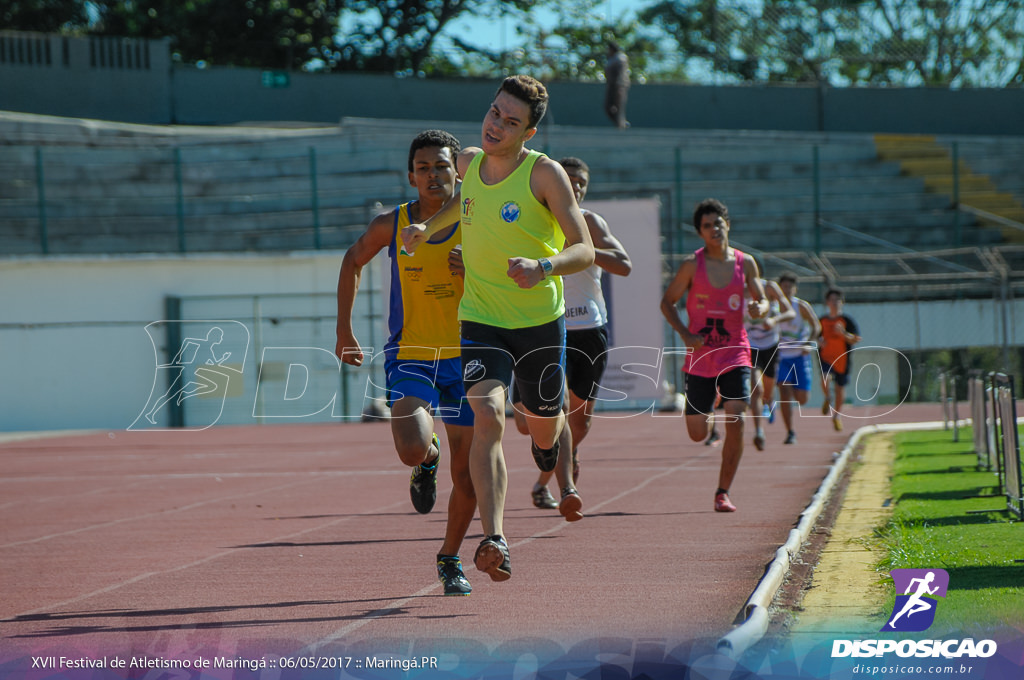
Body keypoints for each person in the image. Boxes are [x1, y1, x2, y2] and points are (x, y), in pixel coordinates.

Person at [402, 75, 595, 582]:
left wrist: (543, 266)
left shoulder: (544, 175)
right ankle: (496, 537)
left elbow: (584, 247)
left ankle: (549, 451)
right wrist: (429, 227)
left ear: (527, 133)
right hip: (481, 318)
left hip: (537, 322)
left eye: (511, 122)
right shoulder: (467, 161)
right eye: (494, 113)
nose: (496, 126)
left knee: (543, 424)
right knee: (487, 416)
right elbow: (459, 207)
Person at [335, 129, 476, 596]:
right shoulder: (392, 224)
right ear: (411, 175)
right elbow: (352, 260)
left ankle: (449, 558)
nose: (432, 175)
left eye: (441, 166)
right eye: (423, 168)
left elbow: (521, 276)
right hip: (412, 353)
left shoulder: (480, 221)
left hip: (471, 355)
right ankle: (426, 459)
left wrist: (476, 270)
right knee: (412, 448)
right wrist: (344, 329)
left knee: (470, 476)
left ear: (458, 169)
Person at [509, 156, 632, 518]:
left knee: (579, 419)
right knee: (523, 420)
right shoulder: (537, 218)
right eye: (570, 180)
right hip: (545, 324)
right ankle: (558, 459)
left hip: (589, 329)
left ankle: (555, 475)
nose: (576, 186)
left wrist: (587, 252)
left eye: (581, 182)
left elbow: (624, 265)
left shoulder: (591, 223)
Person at [660, 198, 768, 513]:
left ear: (727, 225)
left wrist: (758, 308)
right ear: (700, 233)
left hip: (735, 351)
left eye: (718, 223)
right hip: (700, 356)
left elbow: (760, 300)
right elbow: (668, 302)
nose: (714, 229)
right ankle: (712, 404)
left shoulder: (745, 263)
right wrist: (685, 334)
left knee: (736, 417)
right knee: (697, 434)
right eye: (707, 226)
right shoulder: (692, 266)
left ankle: (723, 491)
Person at [743, 256, 795, 450]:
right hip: (751, 345)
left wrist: (775, 320)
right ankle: (759, 432)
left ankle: (770, 402)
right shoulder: (739, 291)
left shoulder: (770, 288)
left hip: (771, 345)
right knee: (756, 389)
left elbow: (790, 312)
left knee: (768, 388)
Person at [775, 272, 822, 446]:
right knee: (783, 390)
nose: (786, 290)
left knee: (802, 399)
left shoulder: (800, 306)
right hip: (781, 357)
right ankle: (790, 431)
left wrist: (809, 343)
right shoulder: (773, 307)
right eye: (784, 287)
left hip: (799, 356)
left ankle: (795, 389)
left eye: (790, 287)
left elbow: (816, 325)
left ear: (795, 289)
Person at [818, 286, 861, 431]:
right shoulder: (822, 320)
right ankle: (827, 398)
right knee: (825, 378)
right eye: (832, 300)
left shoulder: (847, 320)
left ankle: (836, 416)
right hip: (826, 357)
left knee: (839, 388)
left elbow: (855, 339)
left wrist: (843, 333)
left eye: (838, 300)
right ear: (827, 303)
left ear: (842, 302)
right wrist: (819, 341)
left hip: (842, 359)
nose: (835, 303)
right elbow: (814, 336)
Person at [604, 41, 630, 129]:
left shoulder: (620, 58)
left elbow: (620, 73)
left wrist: (619, 84)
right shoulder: (611, 59)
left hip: (619, 85)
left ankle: (621, 124)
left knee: (619, 106)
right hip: (611, 85)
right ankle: (620, 123)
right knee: (608, 107)